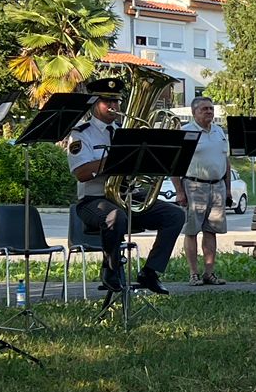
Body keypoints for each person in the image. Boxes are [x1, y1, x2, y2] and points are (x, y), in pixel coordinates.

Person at [65, 79, 184, 295]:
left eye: (117, 101)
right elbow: (81, 173)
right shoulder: (81, 133)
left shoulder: (126, 132)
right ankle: (110, 270)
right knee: (115, 217)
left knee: (174, 215)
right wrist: (117, 159)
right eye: (107, 101)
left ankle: (150, 272)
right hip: (93, 201)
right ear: (94, 103)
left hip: (125, 197)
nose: (114, 106)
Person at [174, 95, 230, 286]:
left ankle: (209, 273)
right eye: (204, 109)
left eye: (211, 109)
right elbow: (174, 165)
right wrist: (179, 191)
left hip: (218, 186)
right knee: (191, 231)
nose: (209, 112)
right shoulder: (185, 132)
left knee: (211, 230)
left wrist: (228, 188)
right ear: (194, 113)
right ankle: (193, 273)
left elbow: (226, 160)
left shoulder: (219, 131)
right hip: (194, 186)